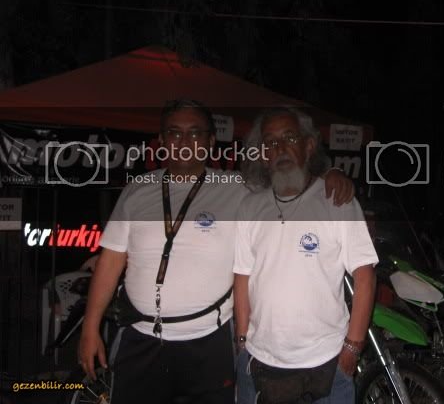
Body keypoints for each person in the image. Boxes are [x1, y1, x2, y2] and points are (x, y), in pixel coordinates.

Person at [77, 99, 354, 404]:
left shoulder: (238, 188)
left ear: (210, 142)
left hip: (210, 342)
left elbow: (291, 176)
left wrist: (331, 173)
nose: (184, 142)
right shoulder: (136, 190)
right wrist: (90, 327)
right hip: (140, 337)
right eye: (175, 133)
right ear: (162, 141)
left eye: (195, 133)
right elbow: (111, 261)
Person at [234, 108, 378, 404]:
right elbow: (242, 277)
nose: (280, 148)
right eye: (270, 142)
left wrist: (353, 347)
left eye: (290, 137)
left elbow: (365, 277)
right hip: (259, 362)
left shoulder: (336, 201)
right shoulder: (250, 207)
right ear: (263, 155)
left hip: (326, 364)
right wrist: (242, 340)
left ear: (308, 145)